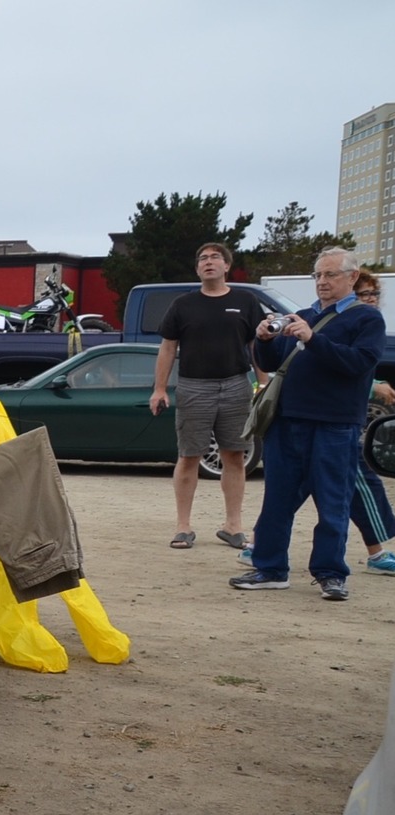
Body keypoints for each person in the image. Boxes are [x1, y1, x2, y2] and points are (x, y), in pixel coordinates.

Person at [231, 247, 388, 600]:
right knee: (277, 501)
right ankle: (270, 568)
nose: (322, 282)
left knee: (333, 502)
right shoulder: (302, 315)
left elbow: (358, 364)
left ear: (352, 277)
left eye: (330, 275)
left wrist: (312, 338)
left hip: (334, 425)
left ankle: (331, 574)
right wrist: (265, 339)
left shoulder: (367, 320)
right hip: (287, 421)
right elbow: (273, 363)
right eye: (317, 275)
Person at [149, 242, 269, 551]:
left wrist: (264, 381)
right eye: (203, 258)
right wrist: (160, 388)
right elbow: (168, 347)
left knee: (234, 456)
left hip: (235, 385)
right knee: (189, 455)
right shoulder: (183, 305)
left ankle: (233, 527)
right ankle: (183, 527)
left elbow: (257, 345)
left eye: (216, 257)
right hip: (193, 387)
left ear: (227, 266)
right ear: (197, 268)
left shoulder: (246, 301)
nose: (209, 262)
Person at [346, 271, 395, 574]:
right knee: (364, 482)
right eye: (365, 294)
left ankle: (259, 546)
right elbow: (341, 368)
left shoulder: (366, 323)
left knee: (296, 487)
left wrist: (373, 382)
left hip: (330, 420)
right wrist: (373, 386)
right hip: (334, 422)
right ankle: (377, 553)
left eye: (374, 294)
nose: (372, 300)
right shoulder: (350, 323)